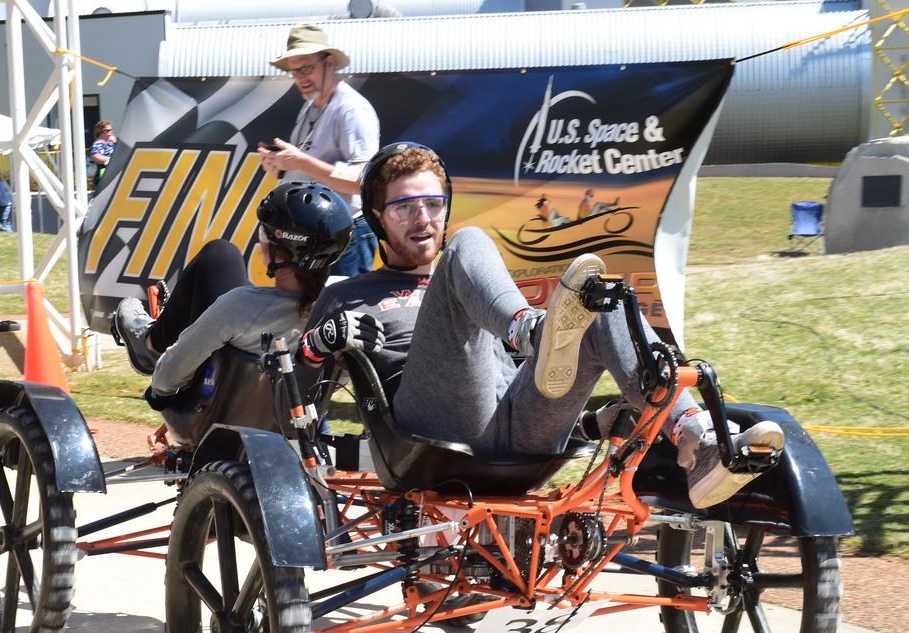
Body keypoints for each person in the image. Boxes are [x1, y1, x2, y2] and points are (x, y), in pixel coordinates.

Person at [298, 142, 784, 510]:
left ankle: (695, 439)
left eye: (433, 203)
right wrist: (320, 344)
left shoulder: (478, 280)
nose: (423, 219)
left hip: (521, 423)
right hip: (429, 432)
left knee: (604, 302)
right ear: (379, 221)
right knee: (467, 245)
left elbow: (520, 373)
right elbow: (296, 406)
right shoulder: (348, 295)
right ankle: (533, 331)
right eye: (404, 207)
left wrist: (591, 424)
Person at [111, 181, 354, 409]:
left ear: (279, 256)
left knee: (220, 254)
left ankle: (151, 345)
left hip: (211, 412)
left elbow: (164, 381)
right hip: (299, 419)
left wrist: (159, 387)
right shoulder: (342, 312)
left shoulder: (239, 306)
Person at [257, 23, 379, 278]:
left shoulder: (351, 109)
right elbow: (308, 165)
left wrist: (300, 161)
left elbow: (362, 181)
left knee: (343, 314)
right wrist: (279, 165)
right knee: (315, 314)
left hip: (348, 233)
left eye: (307, 67)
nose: (300, 77)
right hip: (318, 236)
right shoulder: (311, 106)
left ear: (330, 63)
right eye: (294, 71)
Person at [88, 119, 116, 185]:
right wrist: (111, 160)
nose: (111, 132)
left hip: (112, 172)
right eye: (108, 130)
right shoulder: (98, 144)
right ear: (101, 132)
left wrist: (115, 142)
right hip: (103, 173)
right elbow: (95, 156)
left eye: (111, 130)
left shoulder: (110, 142)